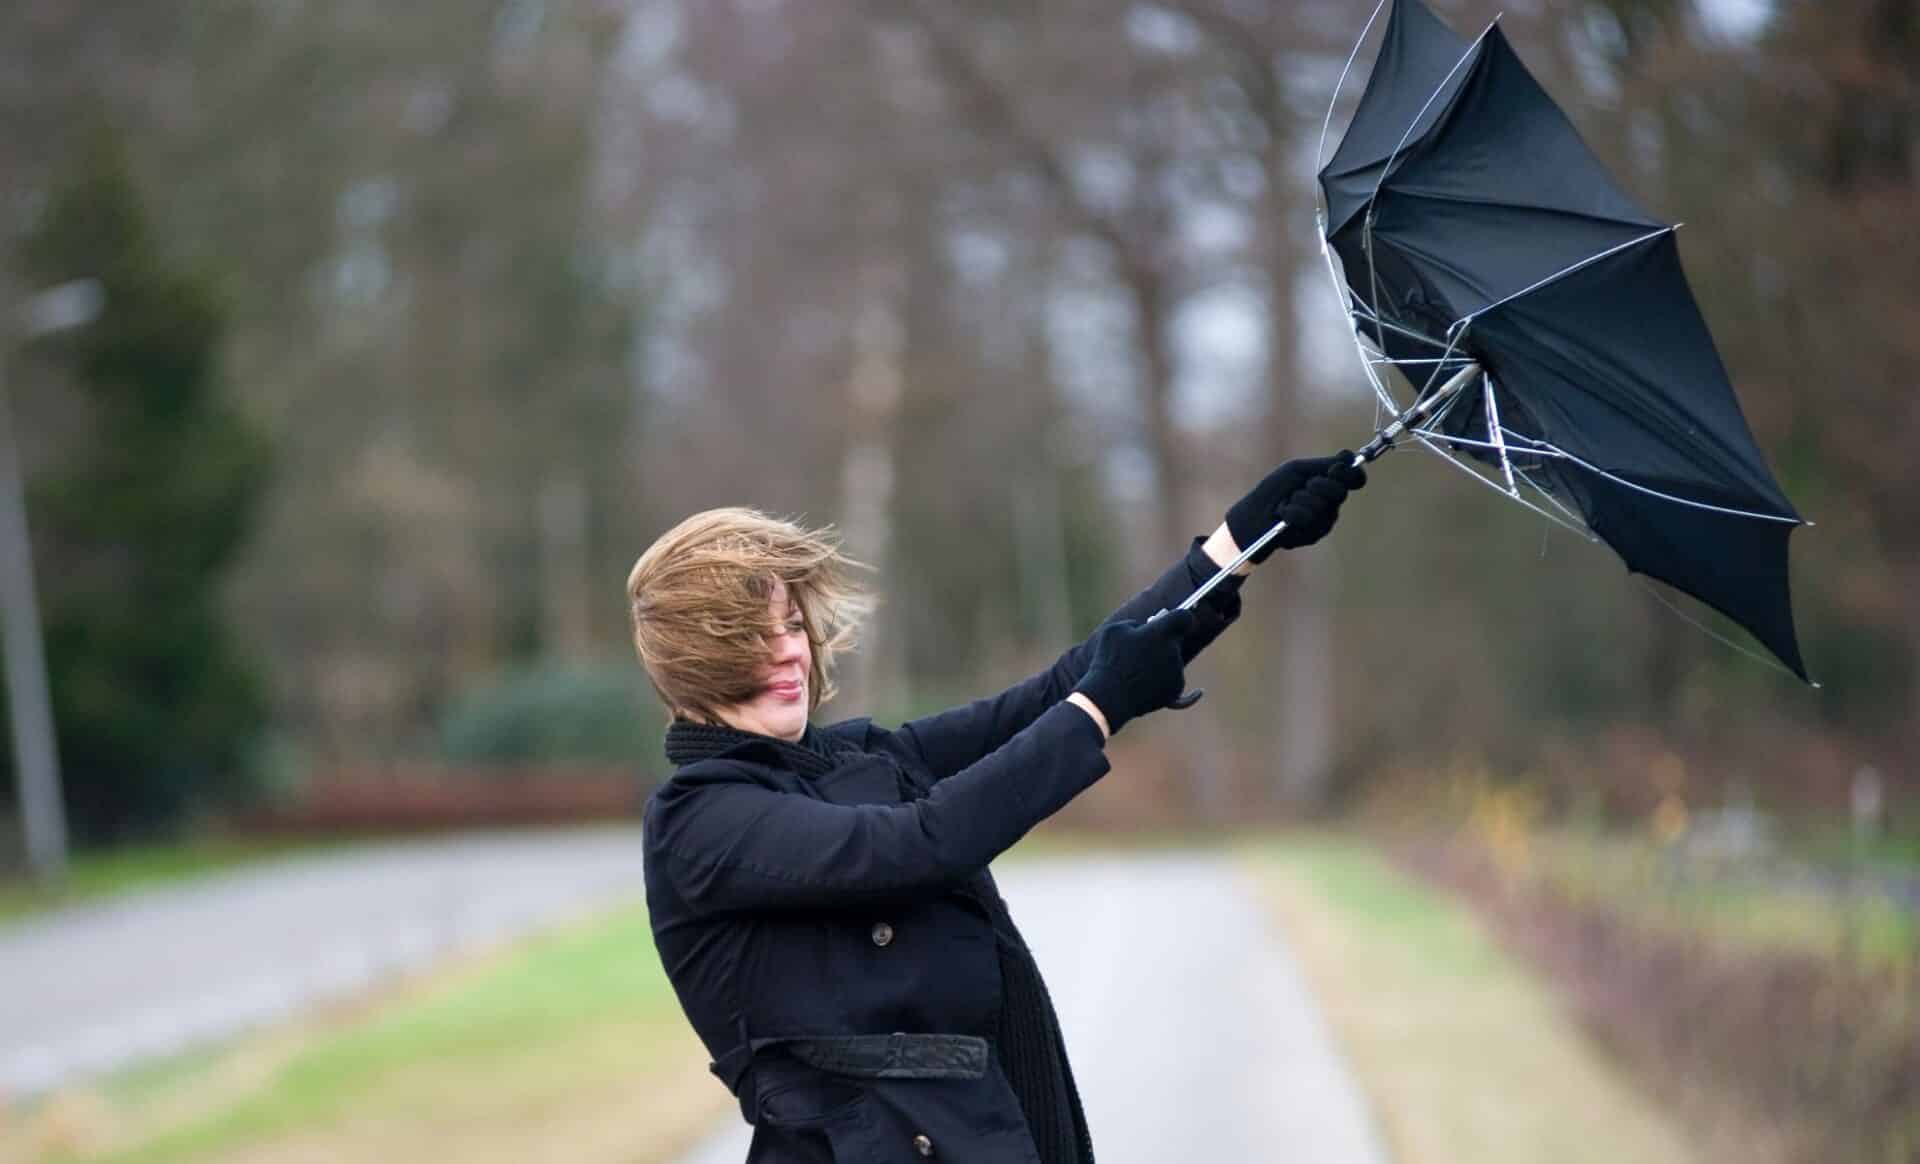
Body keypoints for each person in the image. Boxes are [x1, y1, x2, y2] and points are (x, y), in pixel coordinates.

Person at [629, 453, 1366, 1164]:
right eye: (753, 639)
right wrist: (1100, 705)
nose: (789, 652)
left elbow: (1053, 693)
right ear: (695, 662)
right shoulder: (698, 823)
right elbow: (919, 844)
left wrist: (1234, 550)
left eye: (792, 626)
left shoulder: (857, 761)